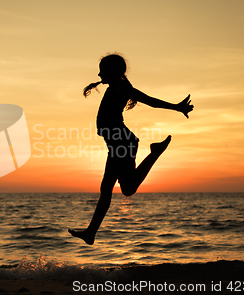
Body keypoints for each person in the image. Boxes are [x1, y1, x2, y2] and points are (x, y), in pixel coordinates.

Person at [68, 53, 194, 245]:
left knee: (127, 189)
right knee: (106, 189)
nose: (99, 73)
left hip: (122, 142)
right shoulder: (115, 86)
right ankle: (90, 233)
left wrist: (176, 107)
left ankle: (155, 153)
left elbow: (149, 100)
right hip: (116, 143)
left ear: (113, 71)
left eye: (102, 70)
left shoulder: (121, 86)